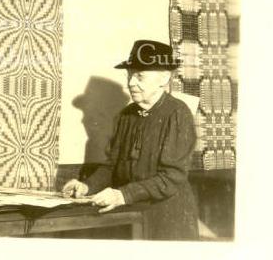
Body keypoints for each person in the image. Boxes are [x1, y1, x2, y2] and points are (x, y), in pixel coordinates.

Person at [62, 40, 199, 240]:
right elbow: (111, 167)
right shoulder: (126, 115)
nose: (131, 83)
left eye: (140, 76)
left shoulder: (177, 113)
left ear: (164, 77)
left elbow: (171, 177)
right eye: (129, 75)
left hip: (168, 218)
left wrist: (123, 195)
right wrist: (87, 186)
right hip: (132, 215)